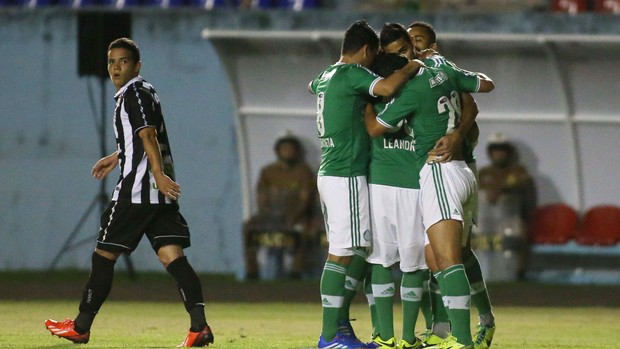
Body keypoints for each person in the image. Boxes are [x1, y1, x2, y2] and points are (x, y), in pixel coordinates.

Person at [44, 38, 214, 348]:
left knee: (103, 258)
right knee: (173, 257)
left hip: (137, 193)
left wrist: (158, 174)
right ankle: (199, 327)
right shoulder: (144, 91)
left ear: (137, 65)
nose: (116, 67)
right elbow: (142, 137)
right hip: (158, 196)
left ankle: (81, 327)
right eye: (111, 62)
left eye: (123, 61)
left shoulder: (134, 93)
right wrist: (119, 155)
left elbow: (148, 134)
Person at [364, 47, 494, 349]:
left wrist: (365, 104)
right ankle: (455, 333)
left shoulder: (410, 92)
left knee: (448, 259)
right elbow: (485, 85)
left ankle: (461, 339)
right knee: (437, 258)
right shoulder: (443, 69)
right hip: (461, 169)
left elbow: (374, 129)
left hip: (438, 171)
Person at [309, 20, 422, 349]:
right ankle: (330, 336)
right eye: (373, 58)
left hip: (331, 171)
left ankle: (339, 327)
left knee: (356, 249)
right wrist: (413, 65)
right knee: (343, 253)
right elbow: (386, 89)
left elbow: (311, 85)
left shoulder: (327, 75)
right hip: (345, 173)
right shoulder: (351, 73)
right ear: (367, 51)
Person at [405, 21, 497, 349]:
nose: (413, 46)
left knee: (451, 252)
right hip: (431, 170)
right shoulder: (414, 75)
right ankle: (442, 327)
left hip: (452, 167)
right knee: (434, 255)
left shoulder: (441, 73)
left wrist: (457, 135)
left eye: (419, 41)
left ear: (432, 45)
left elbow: (472, 104)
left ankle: (477, 324)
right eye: (409, 41)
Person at [364, 23, 431, 349]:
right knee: (413, 266)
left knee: (380, 261)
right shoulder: (419, 98)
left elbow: (371, 131)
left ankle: (384, 335)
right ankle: (407, 337)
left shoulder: (372, 104)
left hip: (379, 187)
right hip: (413, 187)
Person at [242, 133, 317, 280]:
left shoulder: (304, 172)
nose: (288, 152)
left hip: (296, 218)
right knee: (248, 227)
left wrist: (293, 216)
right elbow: (261, 196)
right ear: (277, 151)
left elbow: (305, 200)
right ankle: (252, 272)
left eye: (291, 149)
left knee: (307, 230)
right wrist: (267, 214)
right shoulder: (268, 172)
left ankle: (296, 272)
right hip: (270, 216)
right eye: (284, 149)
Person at [478, 132, 537, 280]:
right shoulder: (484, 172)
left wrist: (500, 190)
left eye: (502, 149)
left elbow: (520, 183)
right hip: (486, 219)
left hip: (511, 217)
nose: (499, 153)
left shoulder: (518, 171)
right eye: (495, 149)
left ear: (509, 152)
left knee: (520, 233)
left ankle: (519, 272)